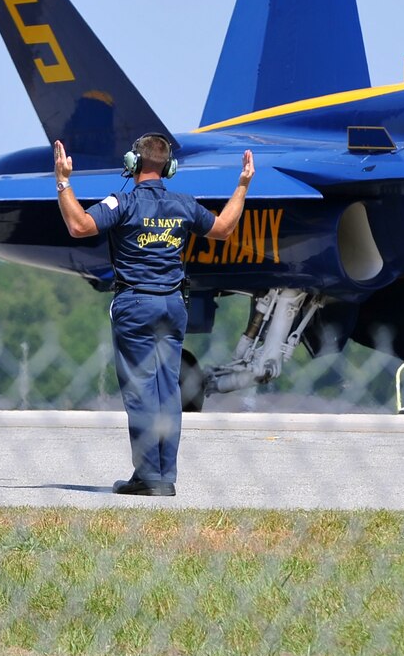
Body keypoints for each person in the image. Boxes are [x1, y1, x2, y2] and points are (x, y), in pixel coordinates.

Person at [53, 133, 255, 496]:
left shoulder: (123, 203)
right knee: (167, 392)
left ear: (133, 163)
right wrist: (242, 185)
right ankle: (163, 475)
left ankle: (149, 477)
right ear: (169, 167)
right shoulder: (183, 204)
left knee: (142, 391)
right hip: (173, 306)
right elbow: (224, 229)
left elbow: (79, 226)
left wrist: (63, 181)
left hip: (136, 306)